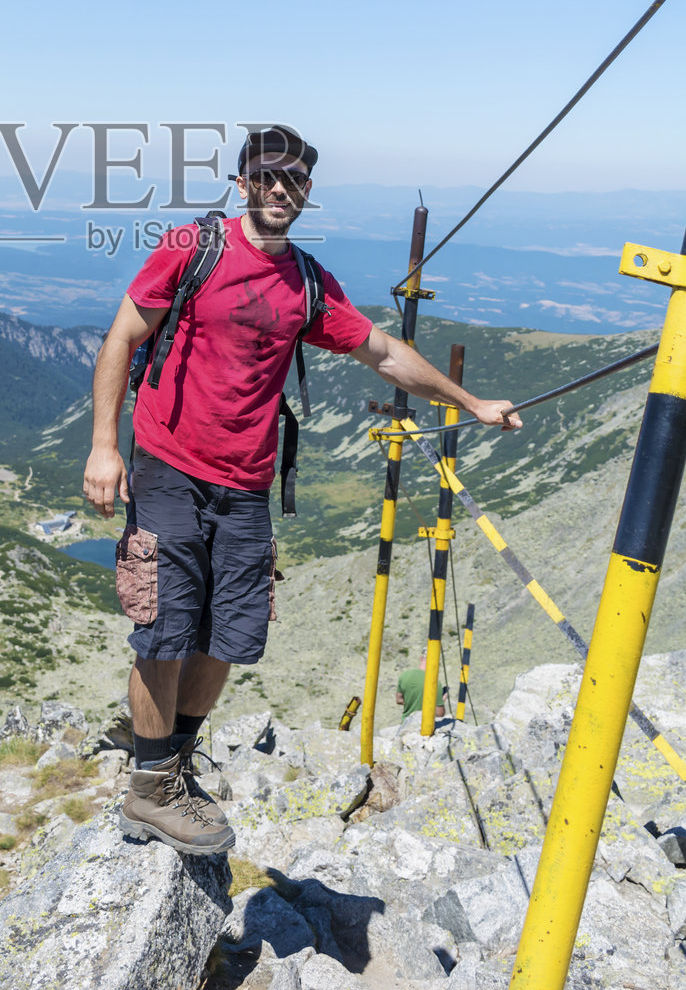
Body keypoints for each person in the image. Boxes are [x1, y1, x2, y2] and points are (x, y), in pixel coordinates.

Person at [82, 125, 522, 854]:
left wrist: (467, 403)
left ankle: (175, 766)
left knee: (227, 636)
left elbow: (381, 352)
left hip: (245, 485)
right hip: (167, 467)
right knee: (163, 632)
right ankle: (148, 787)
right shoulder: (193, 251)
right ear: (242, 183)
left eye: (293, 180)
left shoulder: (306, 282)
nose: (279, 189)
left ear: (307, 191)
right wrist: (104, 446)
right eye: (265, 176)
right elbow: (121, 337)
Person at [397, 651, 448, 720]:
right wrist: (442, 700)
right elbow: (439, 713)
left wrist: (412, 702)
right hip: (425, 726)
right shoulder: (435, 682)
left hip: (406, 723)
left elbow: (399, 700)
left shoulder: (404, 675)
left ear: (421, 658)